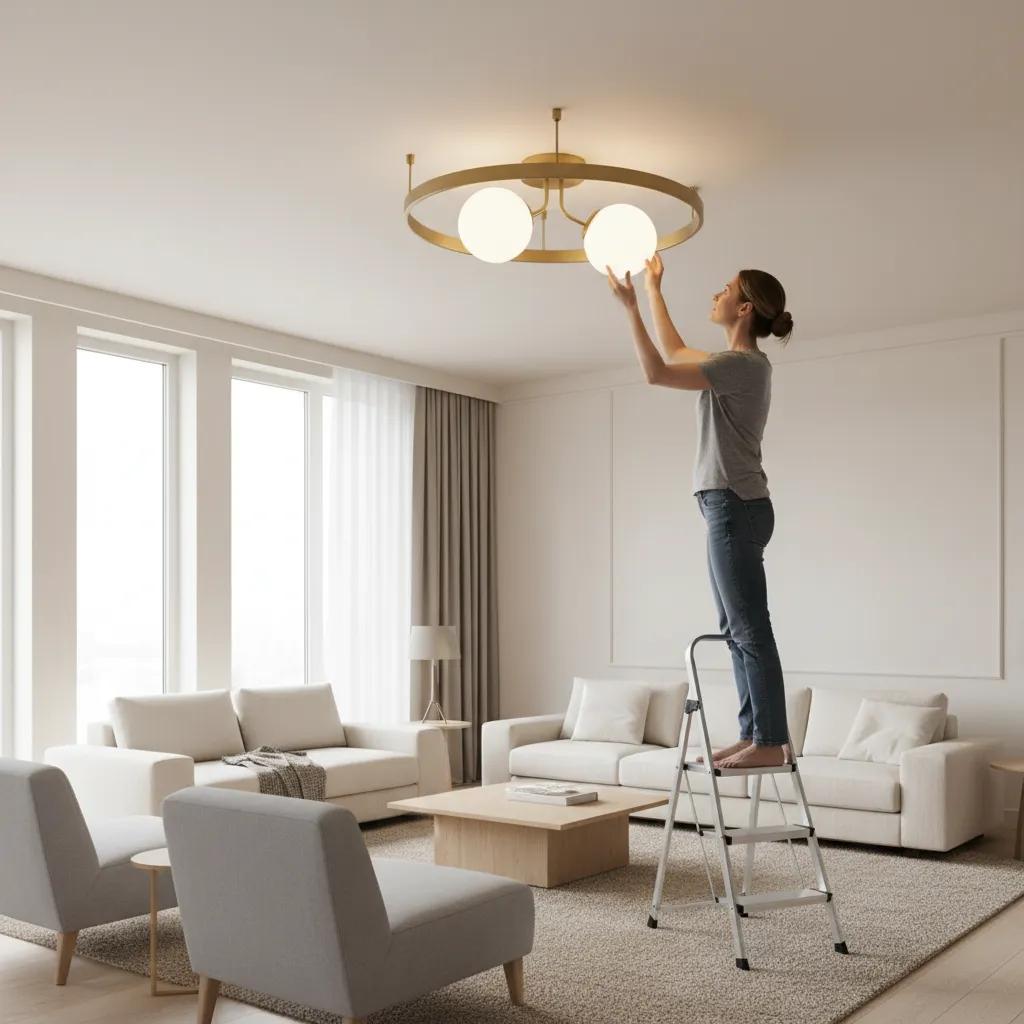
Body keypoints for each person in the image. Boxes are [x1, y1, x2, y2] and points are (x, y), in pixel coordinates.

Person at [606, 254, 794, 769]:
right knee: (738, 630)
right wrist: (652, 288)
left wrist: (628, 308)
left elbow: (656, 371)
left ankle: (771, 742)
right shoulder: (734, 366)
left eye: (725, 289)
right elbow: (673, 350)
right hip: (731, 505)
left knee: (750, 630)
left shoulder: (742, 366)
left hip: (733, 505)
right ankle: (756, 732)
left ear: (744, 307)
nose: (716, 295)